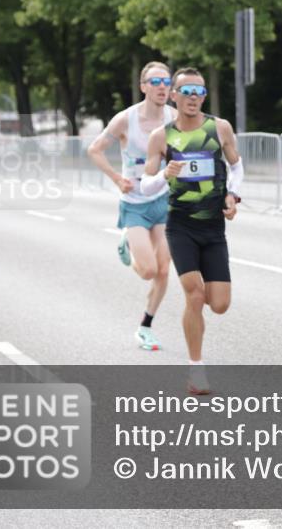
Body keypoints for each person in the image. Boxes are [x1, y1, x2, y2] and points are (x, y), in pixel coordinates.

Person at [139, 67, 243, 395]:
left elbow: (236, 166)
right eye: (186, 91)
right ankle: (196, 370)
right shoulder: (162, 137)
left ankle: (196, 323)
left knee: (220, 304)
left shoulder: (219, 128)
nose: (193, 97)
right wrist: (164, 175)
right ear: (174, 95)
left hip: (213, 227)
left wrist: (233, 194)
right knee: (194, 294)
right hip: (181, 226)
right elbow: (145, 185)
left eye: (199, 91)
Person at [86, 61, 177, 351]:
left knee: (163, 270)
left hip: (163, 199)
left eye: (166, 82)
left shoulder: (175, 117)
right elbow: (95, 150)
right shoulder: (126, 119)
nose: (162, 87)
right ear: (143, 86)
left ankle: (145, 327)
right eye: (155, 82)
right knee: (148, 270)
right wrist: (116, 178)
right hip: (135, 203)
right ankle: (127, 241)